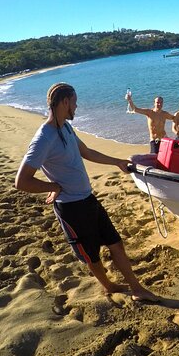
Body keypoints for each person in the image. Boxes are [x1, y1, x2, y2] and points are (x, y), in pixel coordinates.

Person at [14, 83, 158, 302]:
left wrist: (117, 162)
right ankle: (108, 285)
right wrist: (52, 187)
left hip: (88, 199)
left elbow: (87, 152)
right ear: (64, 102)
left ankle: (136, 288)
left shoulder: (66, 127)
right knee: (92, 255)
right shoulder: (44, 137)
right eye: (74, 101)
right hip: (71, 209)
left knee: (115, 243)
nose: (77, 106)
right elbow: (21, 181)